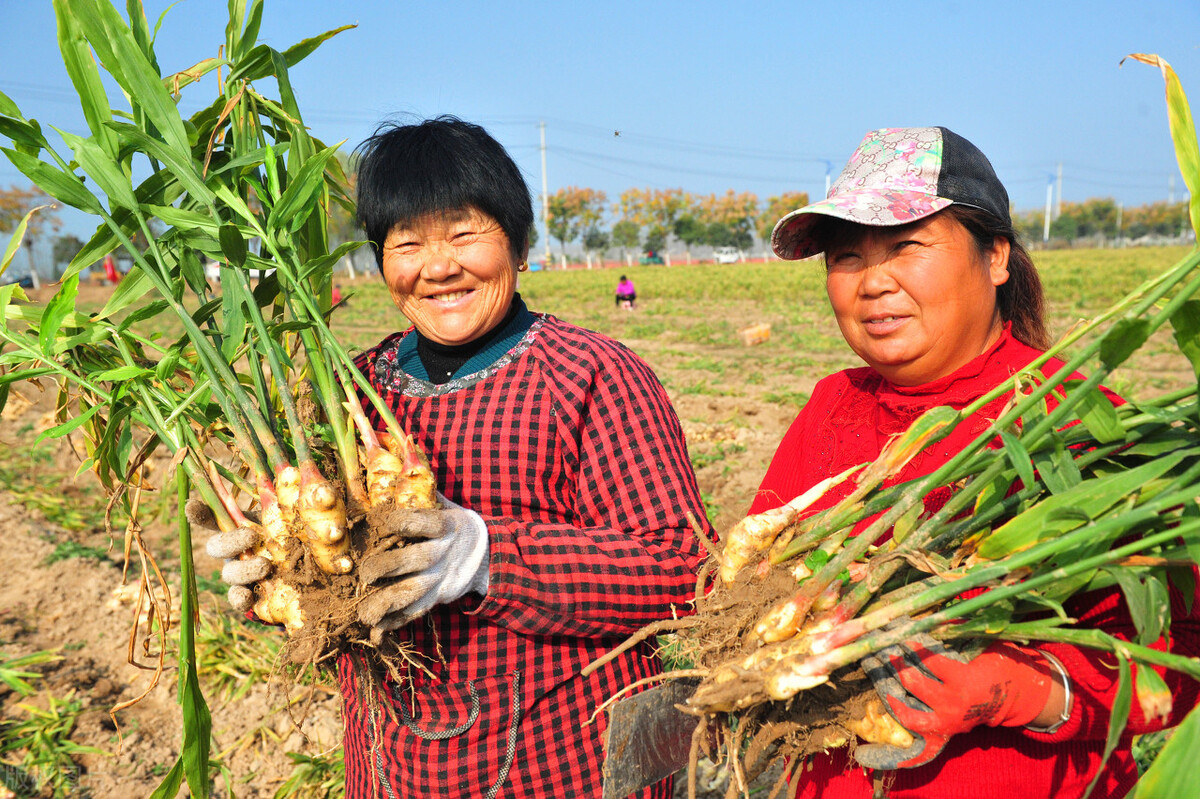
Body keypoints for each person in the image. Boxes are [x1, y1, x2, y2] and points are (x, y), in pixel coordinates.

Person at [212, 116, 710, 797]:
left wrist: (481, 552)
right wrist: (274, 579)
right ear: (381, 262)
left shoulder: (594, 374)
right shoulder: (349, 393)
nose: (438, 266)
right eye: (407, 242)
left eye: (463, 234)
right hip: (389, 767)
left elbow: (684, 571)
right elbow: (338, 599)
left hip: (564, 764)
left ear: (521, 243)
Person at [753, 127, 1200, 798]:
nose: (873, 281)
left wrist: (1014, 688)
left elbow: (1176, 669)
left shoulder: (1078, 426)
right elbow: (757, 582)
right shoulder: (832, 405)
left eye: (905, 246)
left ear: (996, 257)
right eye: (847, 256)